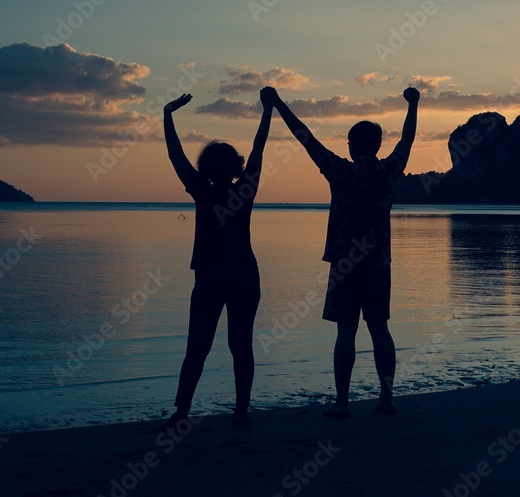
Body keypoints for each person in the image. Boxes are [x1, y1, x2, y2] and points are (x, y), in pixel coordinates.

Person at [261, 85, 419, 418]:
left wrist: (277, 104)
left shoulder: (340, 171)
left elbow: (305, 138)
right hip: (378, 263)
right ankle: (386, 398)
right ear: (376, 146)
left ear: (351, 146)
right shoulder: (388, 172)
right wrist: (413, 105)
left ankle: (343, 402)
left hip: (345, 264)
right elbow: (407, 141)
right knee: (379, 328)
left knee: (345, 331)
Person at [163, 89, 272, 427]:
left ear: (207, 167)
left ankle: (182, 410)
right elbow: (259, 147)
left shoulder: (202, 189)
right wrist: (267, 110)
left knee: (198, 346)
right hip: (242, 274)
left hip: (211, 276)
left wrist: (168, 114)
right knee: (241, 345)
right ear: (236, 167)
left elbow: (175, 155)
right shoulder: (245, 188)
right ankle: (241, 410)